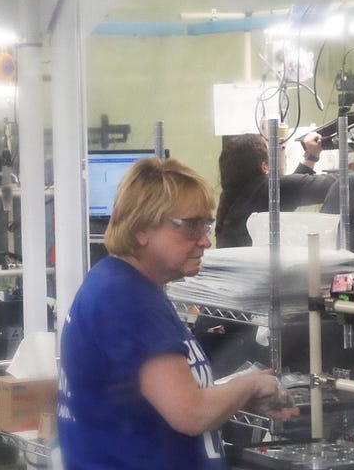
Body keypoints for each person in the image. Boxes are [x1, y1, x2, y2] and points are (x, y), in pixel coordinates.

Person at [58, 158, 295, 469]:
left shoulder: (128, 286)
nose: (205, 240)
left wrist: (235, 396)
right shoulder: (126, 297)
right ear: (142, 227)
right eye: (190, 225)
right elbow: (190, 413)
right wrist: (249, 385)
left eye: (206, 225)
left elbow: (161, 397)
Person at [214, 132, 335, 248]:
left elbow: (289, 192)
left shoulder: (232, 197)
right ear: (264, 166)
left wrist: (311, 156)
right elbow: (333, 184)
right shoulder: (267, 191)